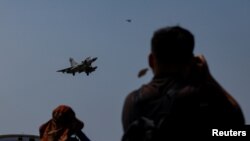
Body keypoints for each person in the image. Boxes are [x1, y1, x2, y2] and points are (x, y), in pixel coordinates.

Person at [121, 26, 245, 139]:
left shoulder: (132, 102)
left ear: (151, 60)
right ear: (191, 61)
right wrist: (208, 77)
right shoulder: (200, 96)